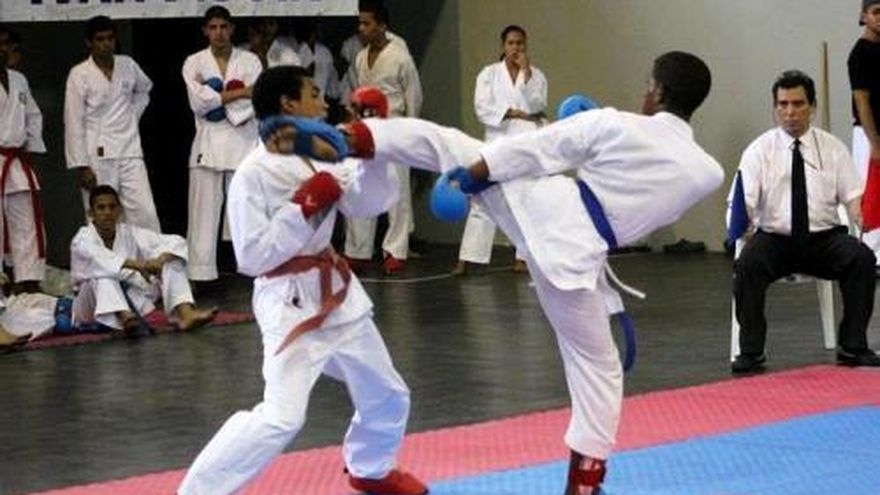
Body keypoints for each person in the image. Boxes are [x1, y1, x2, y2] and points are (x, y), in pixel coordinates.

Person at [333, 51, 723, 495]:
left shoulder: (615, 123)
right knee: (599, 367)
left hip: (550, 213)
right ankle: (585, 480)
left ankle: (359, 135)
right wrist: (601, 134)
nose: (644, 94)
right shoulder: (707, 172)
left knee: (450, 144)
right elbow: (641, 176)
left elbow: (539, 148)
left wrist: (473, 177)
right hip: (579, 261)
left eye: (649, 86)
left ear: (659, 91)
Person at [177, 66, 427, 495]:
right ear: (289, 104)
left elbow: (368, 203)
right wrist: (302, 209)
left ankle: (370, 468)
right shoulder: (253, 172)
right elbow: (252, 258)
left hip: (338, 295)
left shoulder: (320, 153)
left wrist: (374, 148)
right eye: (314, 93)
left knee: (387, 394)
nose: (324, 101)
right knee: (281, 417)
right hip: (288, 300)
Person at [731, 70, 880, 373]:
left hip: (824, 238)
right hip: (775, 238)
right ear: (775, 107)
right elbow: (743, 200)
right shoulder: (759, 150)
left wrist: (860, 213)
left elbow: (853, 196)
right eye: (782, 104)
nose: (790, 112)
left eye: (798, 104)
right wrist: (742, 223)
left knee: (862, 258)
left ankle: (853, 346)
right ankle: (751, 351)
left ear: (812, 106)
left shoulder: (833, 148)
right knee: (747, 265)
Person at [454, 24, 547, 276]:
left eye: (520, 43)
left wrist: (526, 73)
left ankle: (523, 257)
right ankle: (468, 257)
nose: (515, 48)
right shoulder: (489, 74)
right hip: (497, 142)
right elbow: (482, 107)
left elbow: (537, 106)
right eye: (511, 43)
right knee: (483, 197)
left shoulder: (536, 75)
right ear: (503, 46)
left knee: (525, 199)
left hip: (526, 142)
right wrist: (514, 113)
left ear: (525, 46)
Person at [182, 6, 262, 282]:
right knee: (202, 212)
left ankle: (254, 265)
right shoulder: (194, 62)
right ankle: (199, 273)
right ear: (205, 30)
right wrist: (240, 93)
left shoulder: (250, 61)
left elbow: (255, 100)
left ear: (232, 29)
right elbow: (198, 103)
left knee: (247, 209)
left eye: (224, 27)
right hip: (208, 144)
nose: (219, 33)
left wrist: (216, 97)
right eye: (213, 27)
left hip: (243, 142)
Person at [70, 185, 217, 333]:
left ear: (119, 211)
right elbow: (101, 259)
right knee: (102, 274)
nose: (107, 212)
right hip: (90, 308)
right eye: (101, 208)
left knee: (170, 262)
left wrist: (160, 260)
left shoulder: (128, 232)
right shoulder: (82, 238)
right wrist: (141, 265)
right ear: (91, 213)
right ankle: (124, 316)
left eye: (112, 207)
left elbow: (176, 242)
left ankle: (186, 314)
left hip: (129, 300)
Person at [344, 0, 423, 275]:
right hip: (367, 128)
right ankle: (358, 251)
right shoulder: (360, 57)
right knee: (361, 186)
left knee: (396, 190)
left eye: (366, 23)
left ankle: (395, 250)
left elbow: (414, 95)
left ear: (382, 26)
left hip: (394, 127)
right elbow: (358, 93)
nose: (361, 28)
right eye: (360, 23)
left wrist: (411, 130)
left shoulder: (400, 56)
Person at [64, 16, 160, 232]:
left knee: (145, 213)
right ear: (89, 42)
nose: (106, 44)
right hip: (98, 156)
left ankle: (151, 254)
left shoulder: (127, 64)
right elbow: (73, 121)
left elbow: (145, 89)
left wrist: (131, 116)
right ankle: (103, 255)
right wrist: (82, 166)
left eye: (110, 38)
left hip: (130, 150)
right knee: (102, 217)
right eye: (100, 39)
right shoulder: (79, 74)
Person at [0, 23, 47, 294]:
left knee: (27, 223)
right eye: (1, 44)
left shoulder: (19, 80)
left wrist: (31, 148)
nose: (4, 49)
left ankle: (29, 284)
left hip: (16, 162)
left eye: (8, 44)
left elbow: (33, 115)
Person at [849, 0, 880, 262]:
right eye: (876, 12)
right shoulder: (860, 54)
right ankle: (868, 254)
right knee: (868, 192)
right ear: (864, 17)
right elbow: (862, 101)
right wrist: (874, 143)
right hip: (867, 133)